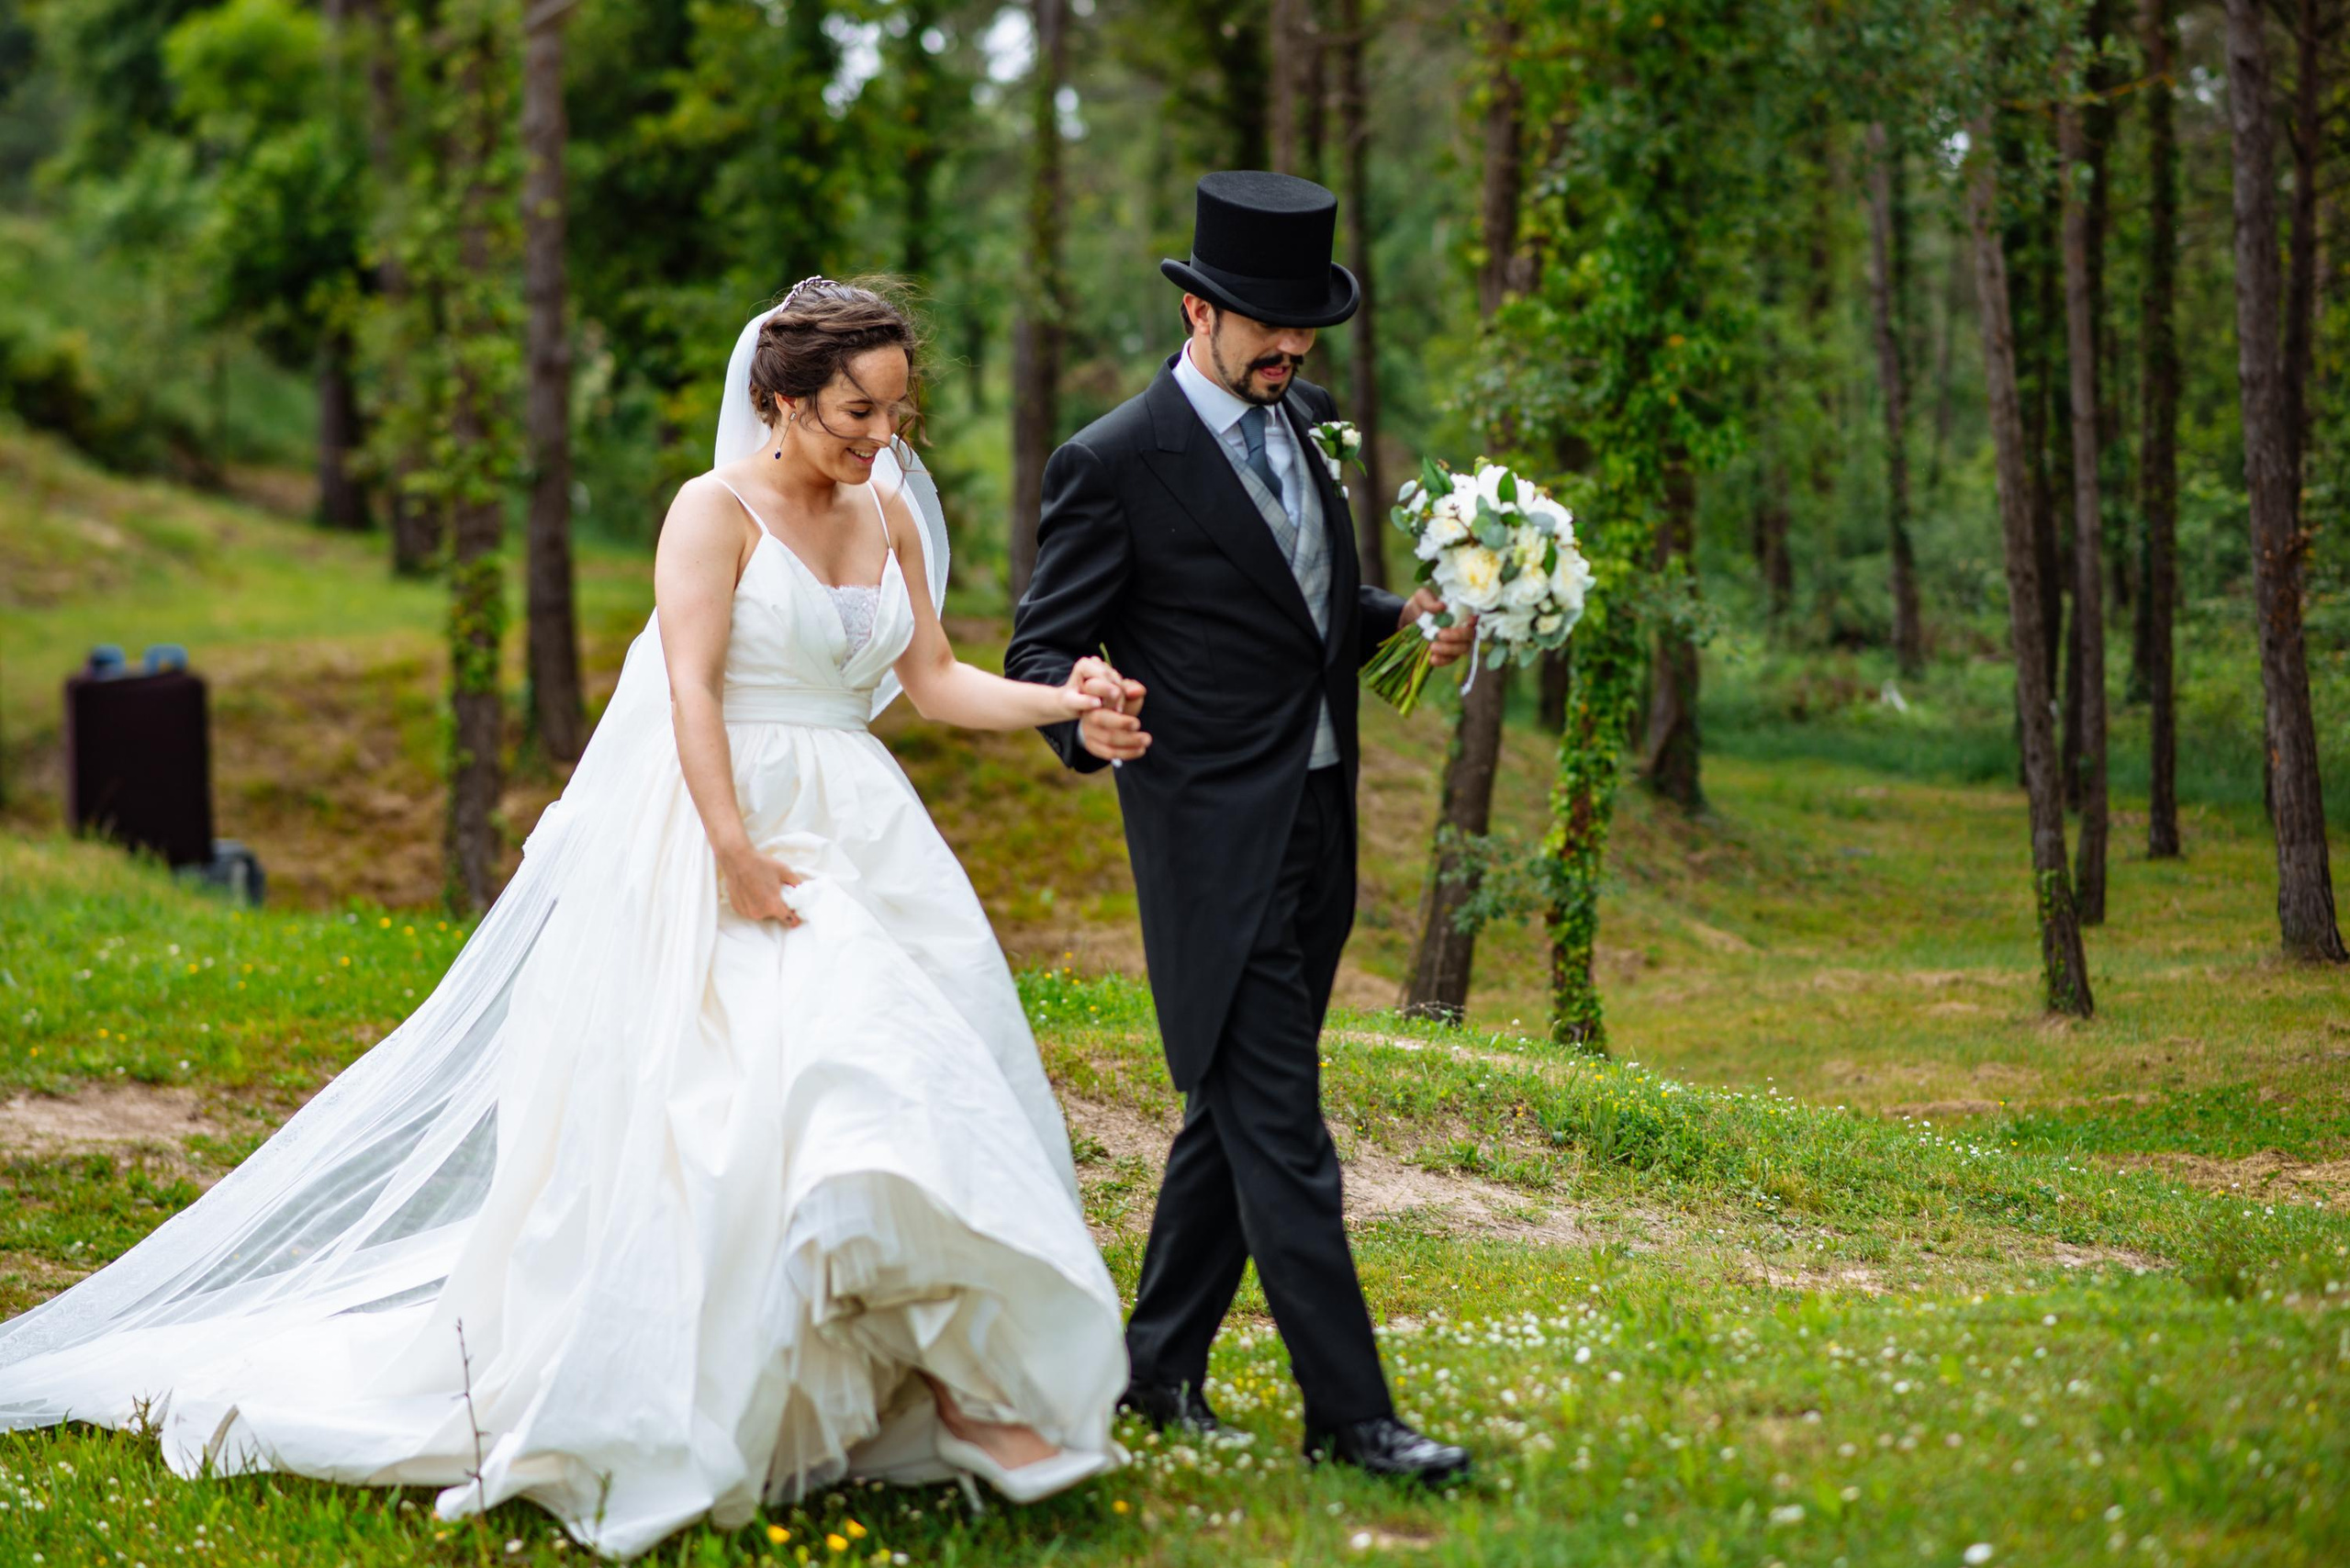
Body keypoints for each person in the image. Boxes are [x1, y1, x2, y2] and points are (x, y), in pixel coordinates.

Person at [0, 278, 1129, 1560]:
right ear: (779, 398)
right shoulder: (712, 512)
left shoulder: (890, 513)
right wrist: (731, 849)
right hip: (728, 820)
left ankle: (922, 1383)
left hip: (863, 830)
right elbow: (691, 690)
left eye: (894, 411)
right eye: (854, 411)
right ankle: (779, 1391)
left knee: (892, 1077)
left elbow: (930, 681)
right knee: (766, 1096)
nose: (880, 436)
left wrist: (1063, 704)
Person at [1005, 171, 1477, 1484]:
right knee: (1283, 1126)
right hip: (1212, 843)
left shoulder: (1307, 420)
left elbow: (1301, 599)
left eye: (1305, 327)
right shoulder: (1112, 461)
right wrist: (1084, 710)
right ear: (1199, 311)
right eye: (1267, 324)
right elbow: (1043, 646)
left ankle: (1156, 1370)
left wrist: (1399, 621)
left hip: (1320, 823)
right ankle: (1354, 1419)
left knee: (1234, 1106)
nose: (1290, 349)